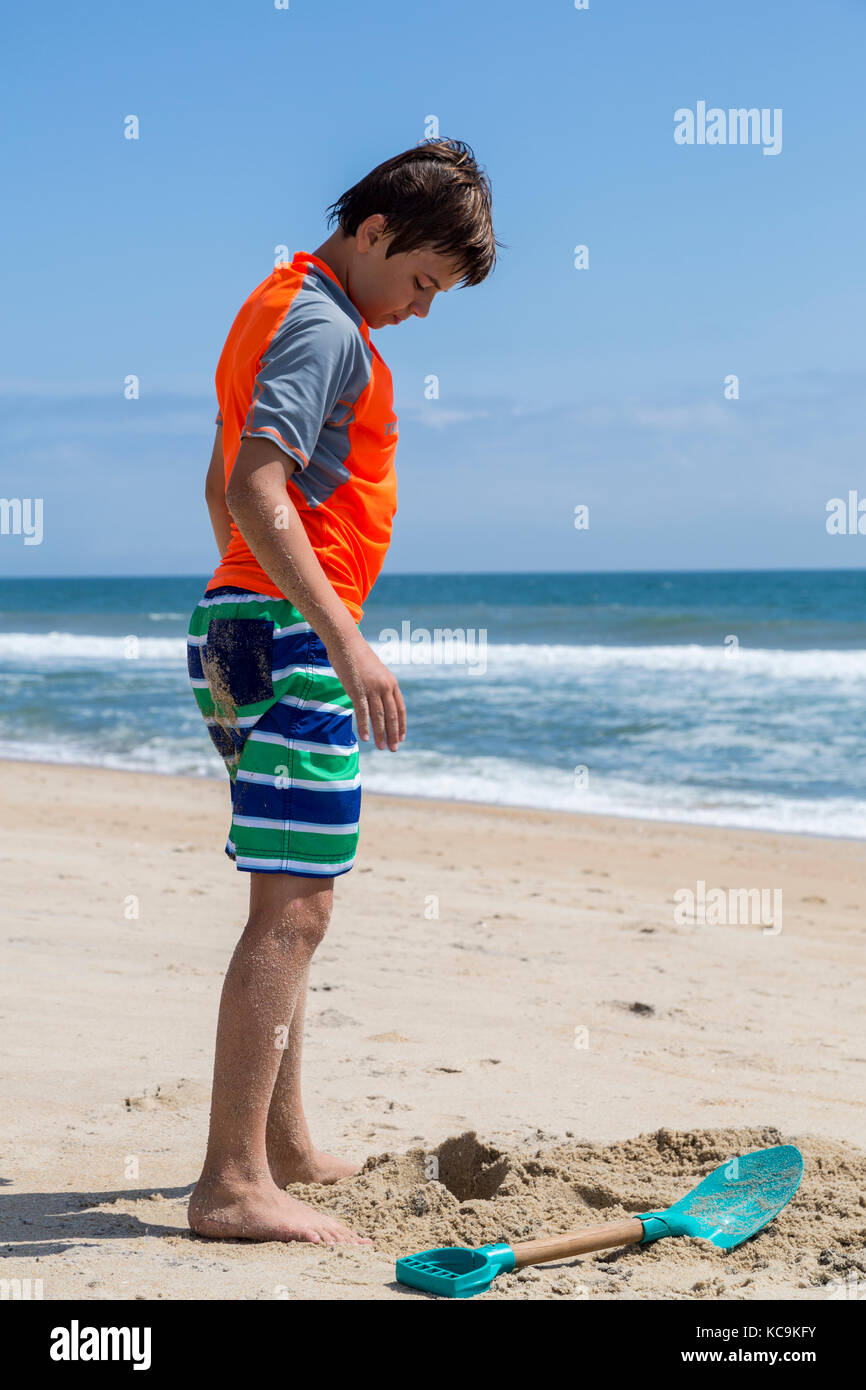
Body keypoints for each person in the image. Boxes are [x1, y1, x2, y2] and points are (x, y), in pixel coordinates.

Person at [185, 139, 498, 1243]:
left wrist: (240, 600)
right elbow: (258, 478)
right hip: (282, 635)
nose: (419, 312)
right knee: (297, 910)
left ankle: (283, 1145)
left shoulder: (280, 303)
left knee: (289, 897)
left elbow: (219, 472)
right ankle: (230, 1183)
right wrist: (337, 636)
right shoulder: (321, 321)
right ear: (371, 231)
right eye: (418, 282)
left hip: (242, 628)